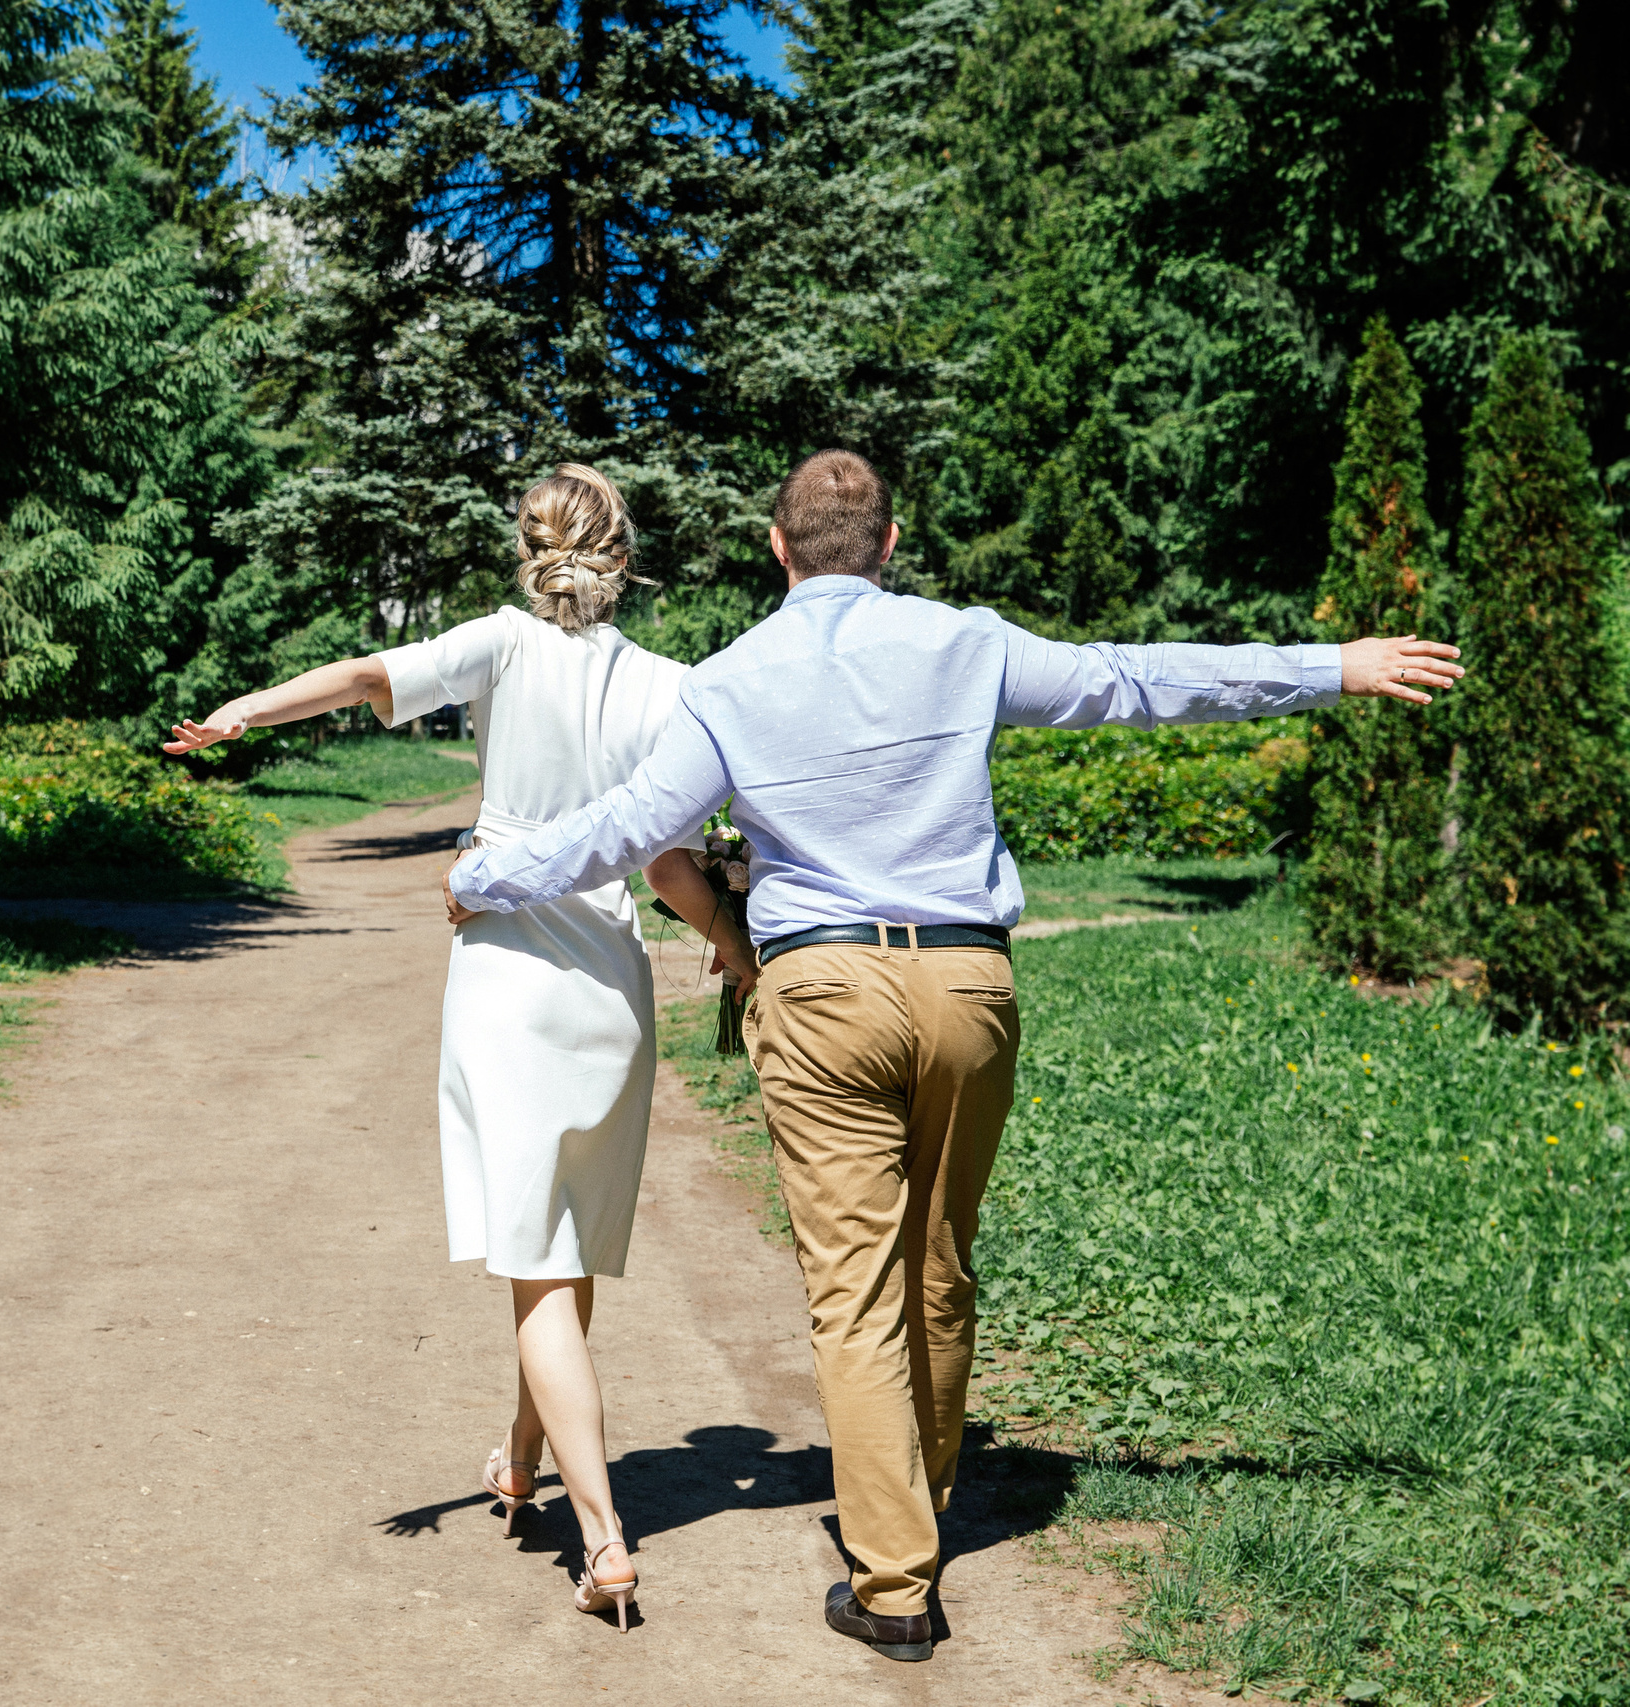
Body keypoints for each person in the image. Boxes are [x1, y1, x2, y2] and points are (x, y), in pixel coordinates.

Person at [440, 449, 1461, 1663]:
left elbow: (623, 831)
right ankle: (912, 1494)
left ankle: (892, 1583)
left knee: (855, 1292)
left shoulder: (727, 682)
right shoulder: (965, 642)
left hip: (821, 993)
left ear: (778, 552)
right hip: (968, 986)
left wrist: (484, 875)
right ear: (887, 545)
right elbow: (1132, 680)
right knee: (937, 1259)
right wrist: (1330, 668)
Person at [166, 464, 755, 1631]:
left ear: (528, 554)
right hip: (610, 984)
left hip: (505, 977)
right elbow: (670, 865)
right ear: (623, 559)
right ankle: (522, 1460)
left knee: (537, 1254)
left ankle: (604, 1542)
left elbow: (361, 677)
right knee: (563, 1246)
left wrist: (242, 710)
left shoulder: (498, 645)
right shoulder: (670, 686)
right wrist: (737, 952)